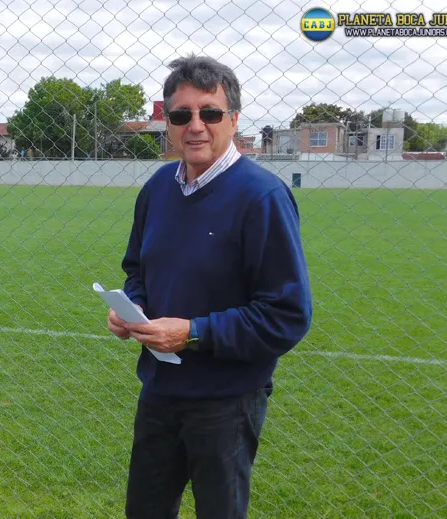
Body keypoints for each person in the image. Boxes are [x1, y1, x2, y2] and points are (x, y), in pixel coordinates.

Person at [108, 54, 313, 519]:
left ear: (234, 119)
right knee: (144, 510)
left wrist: (194, 332)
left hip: (226, 401)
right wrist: (131, 306)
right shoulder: (158, 187)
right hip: (160, 389)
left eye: (210, 113)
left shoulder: (262, 196)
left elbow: (287, 315)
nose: (195, 126)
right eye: (182, 115)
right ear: (169, 123)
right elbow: (137, 268)